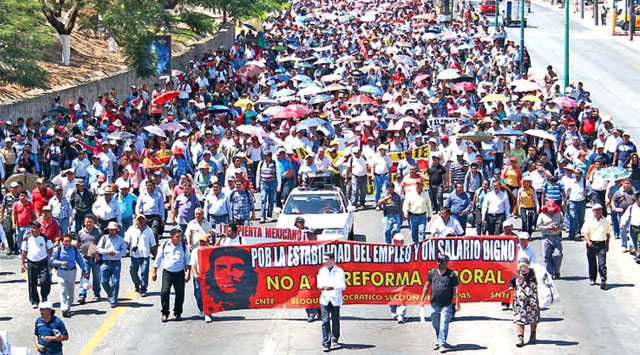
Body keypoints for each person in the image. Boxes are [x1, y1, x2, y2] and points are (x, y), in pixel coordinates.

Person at [420, 254, 461, 351]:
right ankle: (439, 337)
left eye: (441, 261)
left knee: (444, 324)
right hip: (434, 303)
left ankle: (442, 343)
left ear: (446, 263)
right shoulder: (432, 272)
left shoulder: (452, 274)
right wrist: (422, 300)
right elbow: (427, 286)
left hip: (447, 304)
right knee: (435, 323)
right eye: (438, 261)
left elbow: (456, 289)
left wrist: (457, 303)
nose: (438, 263)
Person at [204, 245, 258, 313]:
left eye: (237, 268)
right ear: (212, 273)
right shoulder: (210, 306)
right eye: (221, 268)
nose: (229, 274)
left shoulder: (254, 305)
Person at [153, 229, 191, 322]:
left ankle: (178, 313)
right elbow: (158, 258)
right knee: (164, 292)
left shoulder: (183, 246)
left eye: (180, 237)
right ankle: (165, 313)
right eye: (177, 237)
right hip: (167, 273)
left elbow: (188, 260)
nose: (179, 239)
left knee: (180, 293)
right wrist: (154, 271)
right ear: (172, 237)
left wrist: (188, 273)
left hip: (179, 273)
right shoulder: (165, 245)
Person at [50, 233, 87, 317]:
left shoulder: (74, 249)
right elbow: (52, 260)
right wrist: (60, 263)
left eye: (69, 241)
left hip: (72, 272)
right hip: (61, 272)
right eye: (65, 241)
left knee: (70, 291)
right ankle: (64, 307)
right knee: (62, 289)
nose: (67, 243)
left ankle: (68, 305)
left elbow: (79, 259)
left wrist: (83, 269)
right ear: (62, 242)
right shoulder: (58, 250)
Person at [317, 252, 347, 352]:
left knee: (335, 320)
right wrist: (322, 287)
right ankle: (326, 342)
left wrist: (332, 287)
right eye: (324, 259)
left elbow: (343, 286)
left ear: (332, 260)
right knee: (325, 321)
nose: (324, 262)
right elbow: (319, 284)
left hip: (335, 299)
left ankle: (335, 337)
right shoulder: (321, 271)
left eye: (326, 259)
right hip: (325, 299)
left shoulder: (339, 271)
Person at [507, 257, 540, 347]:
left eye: (525, 266)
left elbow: (542, 282)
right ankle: (520, 338)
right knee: (520, 318)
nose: (523, 269)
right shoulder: (516, 274)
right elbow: (511, 282)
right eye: (521, 266)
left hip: (532, 301)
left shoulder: (534, 273)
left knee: (533, 318)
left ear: (528, 266)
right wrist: (511, 286)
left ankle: (533, 334)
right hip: (520, 302)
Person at [21, 221, 54, 308]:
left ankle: (44, 297)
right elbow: (24, 251)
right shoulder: (27, 238)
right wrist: (22, 263)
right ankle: (34, 301)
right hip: (32, 262)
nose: (31, 229)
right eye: (31, 227)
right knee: (32, 283)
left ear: (39, 229)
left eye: (34, 228)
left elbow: (50, 249)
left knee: (45, 281)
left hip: (43, 262)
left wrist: (51, 261)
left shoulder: (44, 237)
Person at [581, 204, 612, 290]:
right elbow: (585, 233)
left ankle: (603, 279)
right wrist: (588, 241)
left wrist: (607, 244)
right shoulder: (589, 221)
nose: (598, 212)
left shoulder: (605, 221)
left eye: (600, 210)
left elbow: (608, 233)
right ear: (593, 211)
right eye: (596, 210)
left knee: (602, 263)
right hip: (592, 243)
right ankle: (592, 278)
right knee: (592, 262)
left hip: (601, 244)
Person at [97, 221, 128, 307]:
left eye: (113, 230)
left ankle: (114, 298)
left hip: (116, 262)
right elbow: (98, 248)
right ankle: (110, 294)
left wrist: (116, 253)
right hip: (106, 262)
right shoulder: (104, 238)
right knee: (103, 281)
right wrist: (107, 252)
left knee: (115, 281)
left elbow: (124, 252)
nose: (111, 231)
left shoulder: (121, 240)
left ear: (116, 230)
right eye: (110, 230)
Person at [124, 215, 157, 297]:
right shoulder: (131, 229)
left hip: (145, 255)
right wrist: (125, 247)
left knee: (144, 273)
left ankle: (143, 289)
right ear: (136, 221)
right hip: (134, 255)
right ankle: (137, 284)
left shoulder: (149, 231)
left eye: (142, 219)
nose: (141, 221)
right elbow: (126, 240)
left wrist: (156, 253)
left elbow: (153, 243)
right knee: (133, 272)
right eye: (139, 220)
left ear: (145, 220)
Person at [75, 214, 101, 304]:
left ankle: (97, 293)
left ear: (93, 222)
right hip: (84, 258)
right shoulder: (80, 232)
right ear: (84, 222)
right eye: (87, 222)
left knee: (96, 277)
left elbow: (102, 244)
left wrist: (97, 252)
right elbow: (78, 244)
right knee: (84, 276)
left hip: (95, 258)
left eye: (90, 222)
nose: (88, 223)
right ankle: (82, 295)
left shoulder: (99, 232)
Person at [537, 200, 564, 278]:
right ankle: (549, 273)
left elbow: (564, 224)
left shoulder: (559, 214)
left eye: (552, 209)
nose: (551, 210)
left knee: (558, 254)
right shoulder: (542, 215)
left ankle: (556, 270)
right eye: (550, 209)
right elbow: (538, 226)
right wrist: (547, 228)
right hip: (546, 237)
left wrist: (559, 226)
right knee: (546, 256)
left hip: (556, 237)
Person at [190, 233, 212, 322]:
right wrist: (195, 274)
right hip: (199, 277)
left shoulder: (211, 250)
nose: (202, 244)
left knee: (208, 295)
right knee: (198, 295)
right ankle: (201, 309)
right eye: (201, 242)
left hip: (208, 277)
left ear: (208, 242)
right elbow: (193, 264)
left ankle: (208, 313)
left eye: (204, 242)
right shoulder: (195, 251)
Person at [256, 151, 281, 223]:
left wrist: (279, 185)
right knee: (263, 199)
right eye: (264, 156)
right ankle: (262, 216)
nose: (265, 158)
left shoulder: (275, 163)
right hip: (264, 183)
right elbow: (258, 174)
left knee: (271, 200)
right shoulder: (261, 163)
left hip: (272, 184)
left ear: (270, 156)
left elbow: (278, 174)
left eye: (266, 156)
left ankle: (269, 215)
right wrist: (257, 184)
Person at [390, 233, 408, 323]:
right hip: (391, 276)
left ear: (402, 242)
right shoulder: (388, 251)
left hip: (403, 276)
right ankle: (394, 310)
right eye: (395, 241)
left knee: (403, 295)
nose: (396, 243)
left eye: (398, 242)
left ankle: (401, 314)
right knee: (392, 294)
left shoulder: (408, 250)